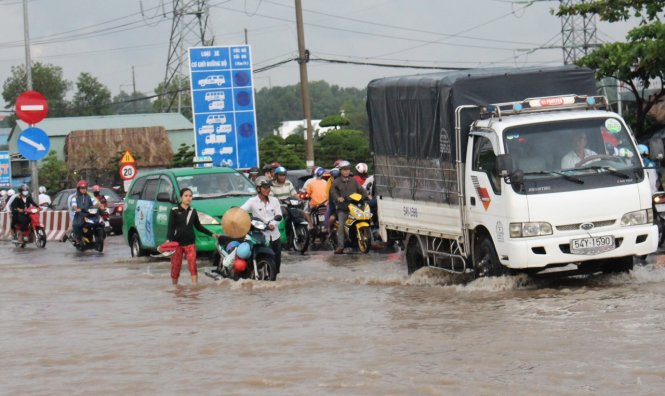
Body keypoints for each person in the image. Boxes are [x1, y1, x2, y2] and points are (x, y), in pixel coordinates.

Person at [165, 188, 218, 286]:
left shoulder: (193, 211)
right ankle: (175, 288)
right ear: (181, 197)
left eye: (190, 196)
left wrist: (212, 234)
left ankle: (194, 288)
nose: (188, 198)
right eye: (186, 196)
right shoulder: (174, 211)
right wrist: (169, 240)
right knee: (176, 267)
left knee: (193, 266)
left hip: (190, 243)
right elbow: (171, 227)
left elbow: (198, 226)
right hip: (177, 244)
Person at [240, 176, 283, 277]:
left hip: (275, 236)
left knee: (276, 265)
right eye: (265, 187)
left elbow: (279, 215)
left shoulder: (274, 200)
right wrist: (236, 213)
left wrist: (273, 224)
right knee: (260, 259)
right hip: (260, 236)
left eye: (268, 187)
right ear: (258, 188)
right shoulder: (252, 201)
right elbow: (242, 210)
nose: (267, 190)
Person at [331, 161, 368, 254]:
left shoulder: (353, 181)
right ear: (341, 171)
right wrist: (338, 198)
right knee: (341, 227)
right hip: (343, 208)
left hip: (354, 206)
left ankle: (371, 241)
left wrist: (366, 196)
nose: (347, 171)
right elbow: (333, 193)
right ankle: (340, 246)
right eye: (344, 170)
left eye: (348, 169)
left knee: (365, 219)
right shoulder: (336, 182)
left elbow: (361, 190)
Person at [70, 180, 99, 245]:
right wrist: (76, 209)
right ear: (78, 189)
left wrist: (99, 205)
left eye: (84, 188)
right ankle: (77, 238)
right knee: (76, 225)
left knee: (97, 223)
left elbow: (95, 203)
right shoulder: (75, 197)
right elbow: (74, 205)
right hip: (79, 215)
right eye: (82, 188)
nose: (83, 190)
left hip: (89, 214)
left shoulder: (89, 197)